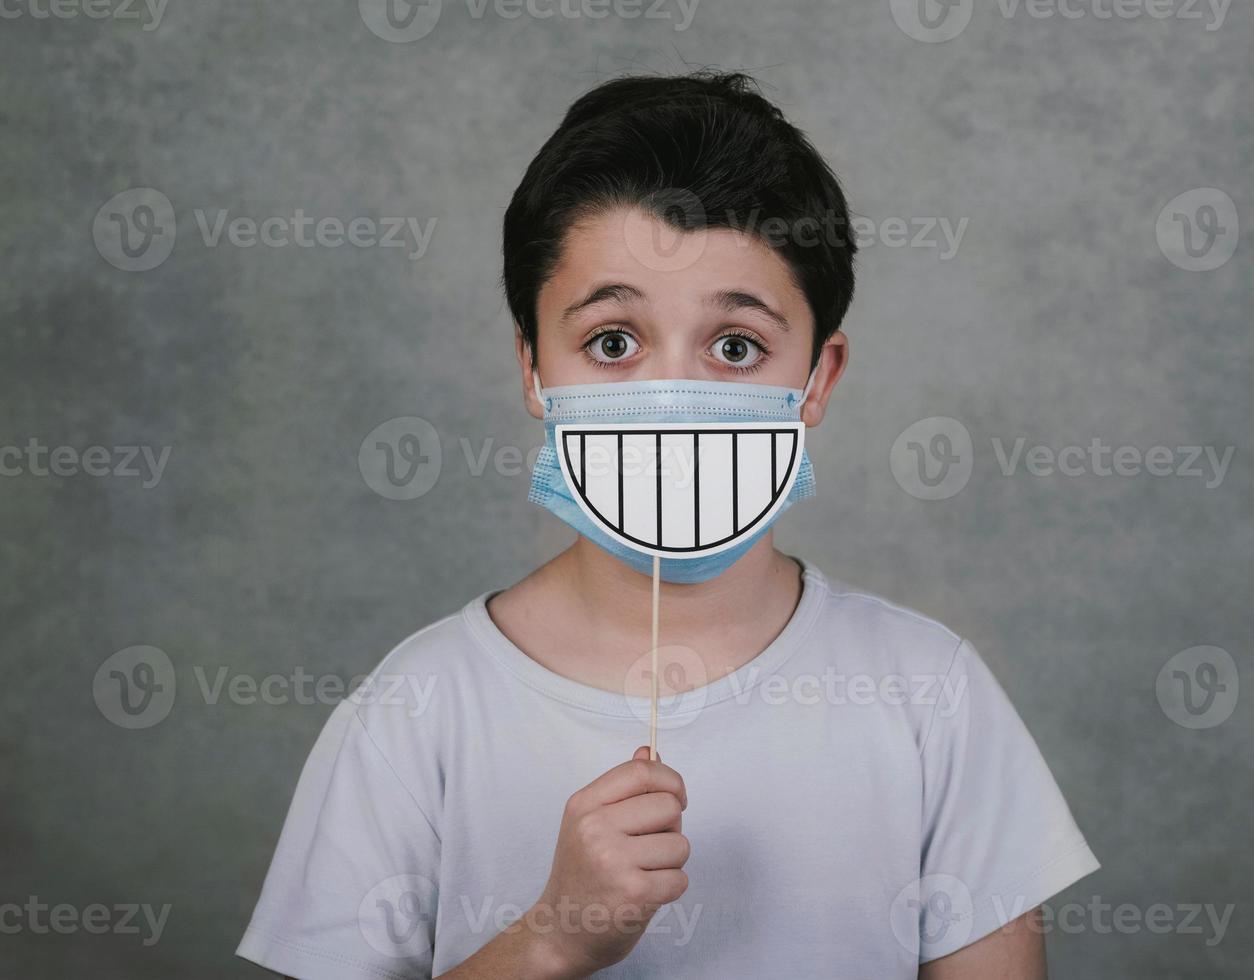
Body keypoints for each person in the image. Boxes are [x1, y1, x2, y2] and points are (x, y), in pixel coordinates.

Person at [236, 71, 1099, 979]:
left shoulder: (934, 701)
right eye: (613, 342)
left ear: (818, 381)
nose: (669, 404)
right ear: (533, 368)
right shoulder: (412, 716)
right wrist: (551, 939)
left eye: (736, 348)